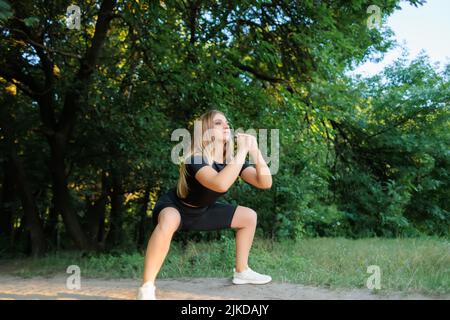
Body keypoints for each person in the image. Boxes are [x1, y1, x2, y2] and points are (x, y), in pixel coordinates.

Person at [137, 110, 273, 300]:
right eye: (219, 123)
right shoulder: (195, 158)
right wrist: (242, 151)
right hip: (176, 207)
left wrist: (255, 150)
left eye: (227, 122)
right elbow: (220, 183)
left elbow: (265, 183)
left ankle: (242, 271)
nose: (226, 125)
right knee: (169, 220)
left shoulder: (231, 161)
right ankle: (147, 287)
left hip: (202, 212)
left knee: (249, 217)